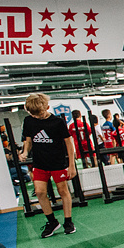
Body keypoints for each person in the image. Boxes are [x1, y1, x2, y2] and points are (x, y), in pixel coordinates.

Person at [20, 93, 77, 238]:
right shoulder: (28, 121)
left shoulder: (57, 122)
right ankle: (52, 222)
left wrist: (72, 165)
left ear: (47, 107)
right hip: (39, 163)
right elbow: (28, 140)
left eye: (39, 114)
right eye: (33, 115)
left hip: (57, 162)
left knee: (62, 191)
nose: (36, 117)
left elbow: (69, 144)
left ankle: (68, 222)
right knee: (39, 192)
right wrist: (25, 152)